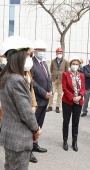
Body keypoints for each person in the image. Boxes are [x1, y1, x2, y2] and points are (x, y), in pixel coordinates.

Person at [0, 35, 41, 170]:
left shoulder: (6, 77)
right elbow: (26, 113)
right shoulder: (17, 80)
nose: (30, 58)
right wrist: (36, 129)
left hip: (10, 137)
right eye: (28, 55)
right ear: (18, 56)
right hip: (19, 139)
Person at [32, 39, 52, 154]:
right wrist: (44, 93)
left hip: (45, 99)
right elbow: (33, 82)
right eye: (40, 50)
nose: (42, 52)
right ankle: (28, 149)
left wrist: (50, 90)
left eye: (44, 50)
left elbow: (48, 78)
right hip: (37, 99)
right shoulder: (32, 64)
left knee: (39, 123)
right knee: (33, 124)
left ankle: (35, 144)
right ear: (35, 51)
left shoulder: (43, 63)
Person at [62, 56, 85, 152]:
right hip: (67, 101)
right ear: (70, 65)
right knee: (66, 122)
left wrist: (79, 96)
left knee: (75, 123)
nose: (75, 66)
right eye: (73, 64)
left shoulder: (82, 75)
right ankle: (65, 141)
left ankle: (74, 142)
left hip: (78, 102)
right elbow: (64, 88)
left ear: (79, 66)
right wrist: (72, 98)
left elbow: (83, 87)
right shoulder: (65, 74)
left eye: (77, 64)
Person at [47, 47, 69, 113]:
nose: (59, 54)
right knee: (52, 93)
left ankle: (57, 107)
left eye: (60, 53)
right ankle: (50, 106)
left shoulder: (65, 61)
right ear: (56, 53)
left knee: (60, 94)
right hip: (54, 79)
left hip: (61, 80)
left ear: (62, 53)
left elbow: (66, 71)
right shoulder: (53, 61)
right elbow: (51, 69)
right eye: (58, 53)